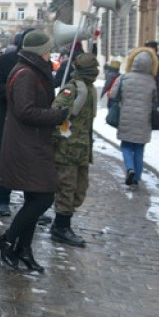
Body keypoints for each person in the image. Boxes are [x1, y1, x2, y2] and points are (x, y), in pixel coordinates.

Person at [0, 31, 68, 273]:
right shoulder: (26, 73)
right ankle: (9, 240)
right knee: (44, 197)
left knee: (34, 198)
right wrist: (59, 115)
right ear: (40, 51)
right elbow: (26, 111)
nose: (50, 53)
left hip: (31, 143)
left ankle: (23, 250)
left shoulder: (30, 69)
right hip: (27, 145)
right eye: (48, 49)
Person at [50, 53, 98, 248]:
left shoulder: (89, 88)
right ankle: (61, 227)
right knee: (66, 189)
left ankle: (62, 223)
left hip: (82, 148)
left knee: (80, 190)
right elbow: (56, 114)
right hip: (67, 149)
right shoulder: (73, 90)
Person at [0, 28, 35, 218]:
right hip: (8, 115)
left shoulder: (42, 63)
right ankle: (2, 199)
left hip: (32, 120)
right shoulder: (4, 60)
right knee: (5, 159)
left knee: (31, 161)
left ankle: (32, 202)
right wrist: (15, 96)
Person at [109, 46, 159, 185]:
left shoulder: (124, 77)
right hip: (144, 120)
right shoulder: (153, 81)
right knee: (139, 148)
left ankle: (130, 168)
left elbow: (113, 94)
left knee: (126, 145)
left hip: (126, 117)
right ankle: (137, 178)